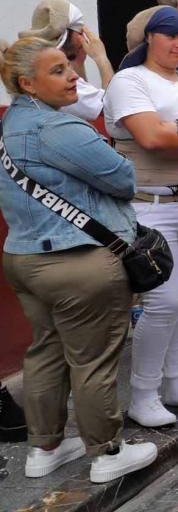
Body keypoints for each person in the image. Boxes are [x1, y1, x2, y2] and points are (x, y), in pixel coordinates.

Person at [0, 37, 158, 482]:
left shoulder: (10, 126)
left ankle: (44, 447)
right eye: (58, 70)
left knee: (46, 352)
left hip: (25, 258)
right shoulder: (59, 129)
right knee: (93, 359)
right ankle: (107, 453)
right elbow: (123, 178)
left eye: (69, 65)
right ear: (27, 83)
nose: (73, 75)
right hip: (79, 262)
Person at [104, 7, 178, 428]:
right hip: (148, 204)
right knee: (163, 300)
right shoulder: (129, 80)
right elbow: (151, 138)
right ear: (148, 39)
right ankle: (144, 393)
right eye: (167, 35)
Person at [18, 0, 114, 121]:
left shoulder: (37, 63)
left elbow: (84, 93)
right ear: (66, 35)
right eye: (79, 31)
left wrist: (79, 62)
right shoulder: (59, 83)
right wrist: (101, 58)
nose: (83, 37)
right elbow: (113, 107)